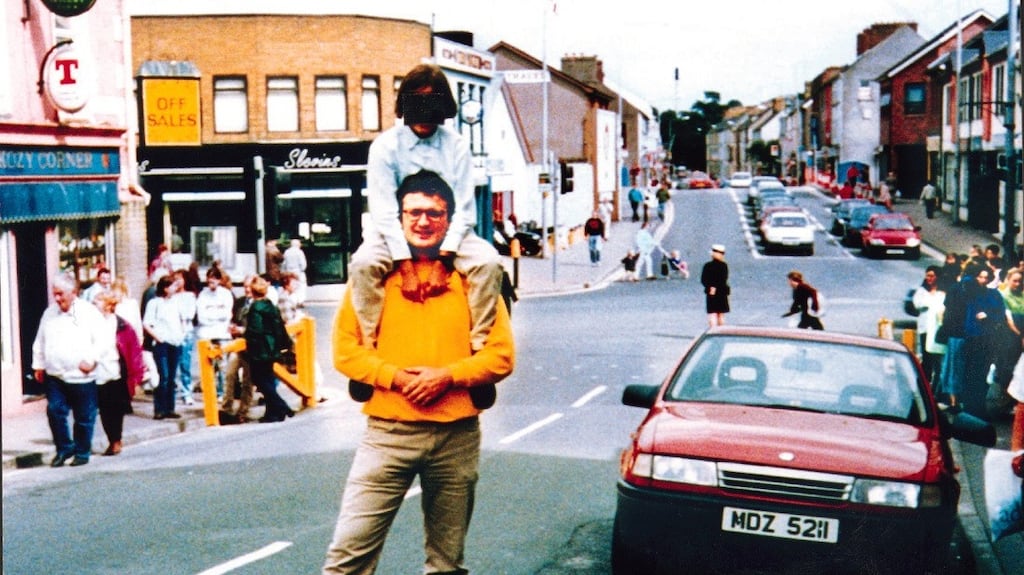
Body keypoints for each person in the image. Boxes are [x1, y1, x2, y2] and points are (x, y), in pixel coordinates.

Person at [323, 169, 514, 575]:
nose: (423, 222)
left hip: (457, 437)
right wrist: (397, 377)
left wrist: (447, 376)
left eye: (434, 213)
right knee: (347, 559)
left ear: (450, 221)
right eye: (414, 214)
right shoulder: (374, 279)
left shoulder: (474, 281)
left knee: (447, 564)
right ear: (398, 219)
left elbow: (500, 356)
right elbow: (345, 352)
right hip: (387, 436)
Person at [349, 63, 502, 353]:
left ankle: (478, 344)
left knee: (489, 263)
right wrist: (405, 266)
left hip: (446, 232)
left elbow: (465, 210)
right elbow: (382, 211)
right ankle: (369, 345)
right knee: (363, 264)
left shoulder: (457, 146)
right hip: (394, 231)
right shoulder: (384, 146)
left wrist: (443, 262)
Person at [31, 272, 110, 467]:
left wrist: (92, 360)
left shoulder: (88, 313)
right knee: (55, 411)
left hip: (81, 376)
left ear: (73, 292)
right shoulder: (49, 313)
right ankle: (64, 448)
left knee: (84, 417)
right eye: (54, 294)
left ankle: (82, 452)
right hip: (55, 374)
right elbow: (40, 340)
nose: (57, 298)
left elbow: (104, 339)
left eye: (60, 294)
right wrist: (38, 364)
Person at [92, 291, 145, 456]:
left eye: (97, 302)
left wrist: (137, 373)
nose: (94, 305)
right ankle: (111, 438)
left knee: (115, 408)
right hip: (97, 370)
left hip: (116, 370)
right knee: (104, 408)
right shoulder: (91, 324)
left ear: (108, 305)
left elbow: (134, 350)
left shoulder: (122, 325)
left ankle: (116, 440)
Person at [244, 276, 295, 423]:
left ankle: (282, 405)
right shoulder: (271, 305)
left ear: (253, 292)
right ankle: (273, 413)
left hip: (260, 350)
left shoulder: (255, 308)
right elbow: (280, 326)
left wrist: (246, 336)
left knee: (259, 380)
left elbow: (256, 330)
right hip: (273, 348)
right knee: (268, 379)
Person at [142, 274, 186, 420]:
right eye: (173, 285)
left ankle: (170, 408)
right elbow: (147, 323)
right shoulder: (154, 303)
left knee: (172, 376)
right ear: (165, 288)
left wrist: (182, 333)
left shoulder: (177, 302)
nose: (176, 288)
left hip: (176, 341)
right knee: (164, 376)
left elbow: (182, 319)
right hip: (162, 343)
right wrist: (157, 337)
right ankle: (159, 408)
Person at [220, 274, 258, 423]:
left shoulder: (258, 303)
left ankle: (243, 410)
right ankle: (227, 407)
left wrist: (242, 330)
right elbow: (234, 318)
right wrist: (232, 327)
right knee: (230, 373)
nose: (247, 290)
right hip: (237, 344)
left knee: (248, 379)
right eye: (245, 286)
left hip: (251, 346)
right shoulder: (240, 302)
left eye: (250, 287)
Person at [196, 267, 235, 399]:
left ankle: (223, 393)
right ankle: (210, 393)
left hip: (222, 333)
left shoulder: (226, 294)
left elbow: (227, 314)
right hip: (207, 333)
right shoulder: (203, 295)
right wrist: (215, 316)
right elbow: (201, 316)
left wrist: (212, 315)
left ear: (219, 280)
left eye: (213, 280)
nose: (211, 283)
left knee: (223, 366)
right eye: (209, 281)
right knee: (209, 366)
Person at [912, 266, 947, 386]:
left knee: (937, 358)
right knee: (926, 357)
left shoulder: (942, 292)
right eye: (928, 276)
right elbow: (917, 304)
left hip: (937, 328)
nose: (929, 278)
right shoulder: (921, 291)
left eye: (932, 276)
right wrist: (931, 303)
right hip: (925, 328)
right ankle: (925, 383)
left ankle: (936, 384)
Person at [173, 267, 200, 406]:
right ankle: (174, 391)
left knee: (185, 363)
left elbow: (188, 314)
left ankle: (186, 392)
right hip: (173, 332)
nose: (177, 281)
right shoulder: (170, 297)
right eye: (175, 278)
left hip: (186, 332)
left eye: (180, 278)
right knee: (172, 364)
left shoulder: (190, 296)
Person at [701, 244, 730, 327]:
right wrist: (716, 287)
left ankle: (713, 331)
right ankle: (721, 331)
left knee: (712, 313)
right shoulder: (724, 266)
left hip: (711, 292)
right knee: (720, 314)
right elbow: (723, 279)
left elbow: (703, 279)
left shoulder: (707, 265)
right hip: (722, 292)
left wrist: (711, 287)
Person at [282, 238, 308, 304]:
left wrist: (284, 271)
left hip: (289, 271)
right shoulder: (299, 252)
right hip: (298, 272)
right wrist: (302, 270)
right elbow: (303, 264)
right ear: (298, 245)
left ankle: (292, 301)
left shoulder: (286, 252)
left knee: (291, 287)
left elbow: (284, 263)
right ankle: (300, 301)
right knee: (301, 287)